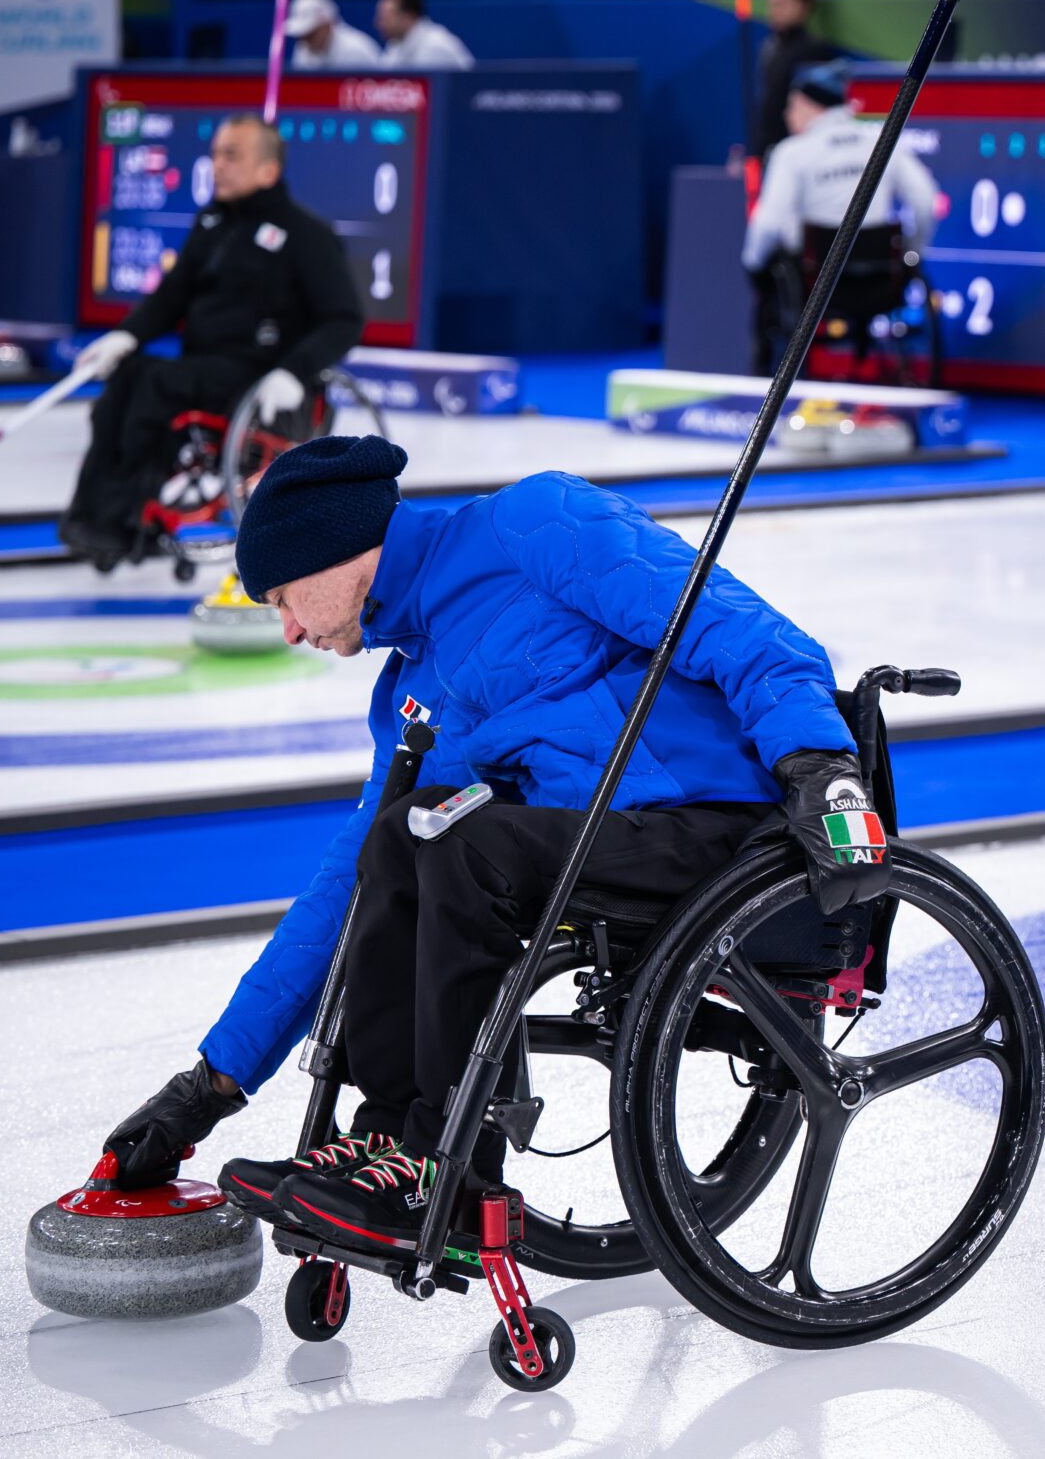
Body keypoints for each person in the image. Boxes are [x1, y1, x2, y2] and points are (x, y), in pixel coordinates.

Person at [94, 433, 891, 1255]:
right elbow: (342, 895)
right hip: (604, 853)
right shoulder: (411, 687)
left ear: (336, 552)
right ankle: (390, 1144)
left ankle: (448, 1163)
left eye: (285, 598)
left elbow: (743, 631)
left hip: (729, 826)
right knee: (404, 834)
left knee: (456, 841)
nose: (291, 629)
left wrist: (820, 768)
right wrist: (211, 1085)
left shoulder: (532, 524)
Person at [57, 116, 362, 564]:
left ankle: (123, 522)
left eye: (231, 155)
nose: (217, 165)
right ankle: (92, 516)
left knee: (153, 384)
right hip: (204, 366)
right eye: (215, 154)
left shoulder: (306, 235)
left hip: (260, 377)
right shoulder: (213, 222)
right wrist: (125, 335)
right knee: (128, 376)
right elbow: (171, 296)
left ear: (268, 170)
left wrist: (294, 372)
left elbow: (344, 319)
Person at [742, 62, 939, 369]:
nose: (787, 115)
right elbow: (926, 200)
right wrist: (912, 253)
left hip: (815, 286)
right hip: (883, 282)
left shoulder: (791, 153)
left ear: (809, 105)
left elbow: (767, 224)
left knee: (767, 264)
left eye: (791, 105)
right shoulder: (883, 140)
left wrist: (753, 267)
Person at [748, 0, 840, 167]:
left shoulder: (816, 50)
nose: (775, 11)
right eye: (772, 4)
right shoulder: (769, 48)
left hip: (805, 157)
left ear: (803, 5)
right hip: (769, 152)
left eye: (782, 3)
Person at [374, 0, 474, 70]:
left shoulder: (435, 46)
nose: (378, 24)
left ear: (408, 17)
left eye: (385, 18)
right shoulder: (395, 45)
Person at [284, 0, 381, 71]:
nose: (305, 41)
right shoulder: (302, 49)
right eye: (302, 36)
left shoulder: (356, 50)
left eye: (311, 34)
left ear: (328, 25)